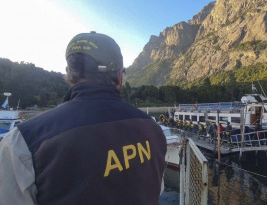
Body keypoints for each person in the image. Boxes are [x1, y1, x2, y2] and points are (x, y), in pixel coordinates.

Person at [0, 31, 167, 205]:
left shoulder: (24, 141)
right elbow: (157, 188)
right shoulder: (153, 129)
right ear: (119, 76)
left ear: (69, 75)